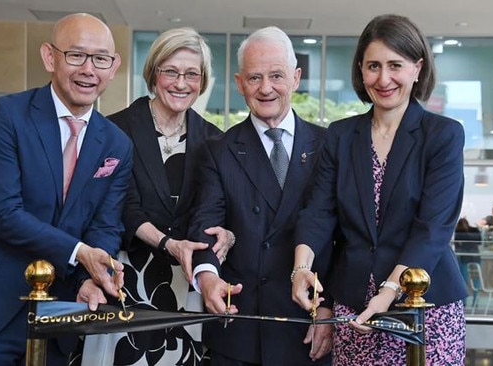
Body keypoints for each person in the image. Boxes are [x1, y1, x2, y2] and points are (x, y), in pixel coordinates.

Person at [0, 13, 133, 365]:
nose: (89, 69)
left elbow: (106, 225)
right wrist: (82, 254)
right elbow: (3, 213)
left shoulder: (117, 143)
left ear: (113, 68)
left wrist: (88, 277)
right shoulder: (5, 116)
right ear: (50, 57)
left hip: (59, 314)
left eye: (100, 59)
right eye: (76, 55)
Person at [291, 14, 467, 365]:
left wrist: (387, 294)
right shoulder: (340, 135)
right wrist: (301, 269)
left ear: (417, 69)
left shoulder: (444, 135)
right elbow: (319, 212)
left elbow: (432, 229)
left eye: (395, 65)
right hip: (355, 308)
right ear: (360, 70)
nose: (383, 79)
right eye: (373, 66)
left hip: (424, 306)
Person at [81, 27, 233, 366]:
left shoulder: (214, 139)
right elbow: (122, 207)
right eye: (171, 71)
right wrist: (169, 244)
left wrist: (228, 232)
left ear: (202, 80)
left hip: (187, 283)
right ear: (154, 73)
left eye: (192, 74)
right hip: (126, 277)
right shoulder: (114, 129)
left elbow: (220, 208)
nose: (181, 83)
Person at [188, 26, 332, 365]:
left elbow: (344, 235)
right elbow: (205, 223)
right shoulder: (218, 151)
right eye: (254, 78)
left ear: (296, 78)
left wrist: (330, 306)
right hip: (241, 328)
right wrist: (207, 277)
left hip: (310, 326)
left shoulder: (329, 147)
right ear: (239, 84)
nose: (265, 88)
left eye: (276, 76)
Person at [454, 217, 482, 307]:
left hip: (464, 258)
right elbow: (480, 242)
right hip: (476, 257)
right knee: (476, 280)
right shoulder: (475, 230)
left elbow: (457, 245)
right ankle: (475, 301)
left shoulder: (459, 232)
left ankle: (464, 301)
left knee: (464, 280)